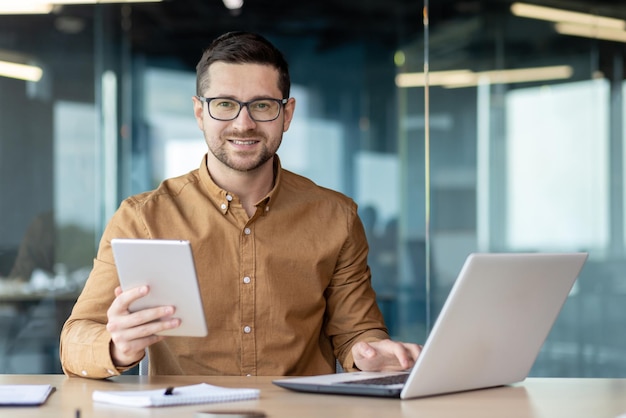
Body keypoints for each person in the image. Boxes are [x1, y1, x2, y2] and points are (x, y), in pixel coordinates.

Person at [59, 31, 421, 379]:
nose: (243, 123)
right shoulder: (141, 218)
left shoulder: (336, 217)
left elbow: (358, 332)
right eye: (225, 105)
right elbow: (75, 339)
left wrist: (371, 353)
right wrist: (117, 346)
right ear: (200, 113)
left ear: (287, 113)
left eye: (262, 105)